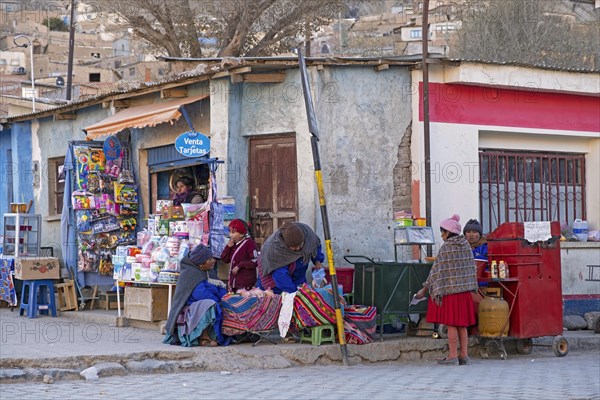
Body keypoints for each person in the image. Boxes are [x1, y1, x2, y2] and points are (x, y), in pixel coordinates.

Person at [415, 214, 478, 366]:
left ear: (449, 233)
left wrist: (424, 290)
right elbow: (470, 269)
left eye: (443, 232)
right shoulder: (466, 246)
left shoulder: (447, 248)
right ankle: (464, 355)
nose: (442, 235)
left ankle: (452, 356)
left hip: (449, 292)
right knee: (462, 325)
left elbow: (436, 272)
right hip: (464, 292)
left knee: (451, 324)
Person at [164, 244, 230, 347]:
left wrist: (227, 297)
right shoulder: (189, 275)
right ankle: (203, 337)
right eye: (210, 259)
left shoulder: (209, 272)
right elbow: (202, 295)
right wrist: (219, 301)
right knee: (209, 305)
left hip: (207, 304)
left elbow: (219, 288)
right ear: (201, 264)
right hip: (190, 310)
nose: (213, 261)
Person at [257, 222, 324, 294]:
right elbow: (280, 277)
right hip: (277, 285)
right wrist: (295, 293)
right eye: (294, 247)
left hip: (298, 276)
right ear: (286, 245)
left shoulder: (307, 235)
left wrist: (317, 260)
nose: (298, 249)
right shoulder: (274, 250)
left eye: (300, 245)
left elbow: (315, 244)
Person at [221, 219, 258, 292]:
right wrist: (228, 247)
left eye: (233, 232)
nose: (230, 235)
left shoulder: (249, 244)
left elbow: (255, 260)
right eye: (230, 232)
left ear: (241, 233)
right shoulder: (233, 244)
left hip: (245, 284)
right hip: (234, 283)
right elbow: (225, 259)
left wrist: (240, 265)